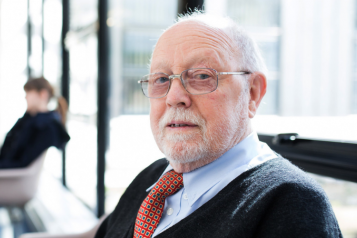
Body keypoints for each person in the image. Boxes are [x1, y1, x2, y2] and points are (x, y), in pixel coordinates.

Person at [95, 13, 342, 238]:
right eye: (161, 79)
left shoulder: (291, 203)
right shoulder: (155, 177)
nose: (173, 97)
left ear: (253, 93)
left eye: (202, 76)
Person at [0, 77, 70, 169]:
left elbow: (22, 162)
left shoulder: (45, 126)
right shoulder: (31, 119)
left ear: (42, 94)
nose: (25, 97)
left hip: (10, 177)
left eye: (28, 92)